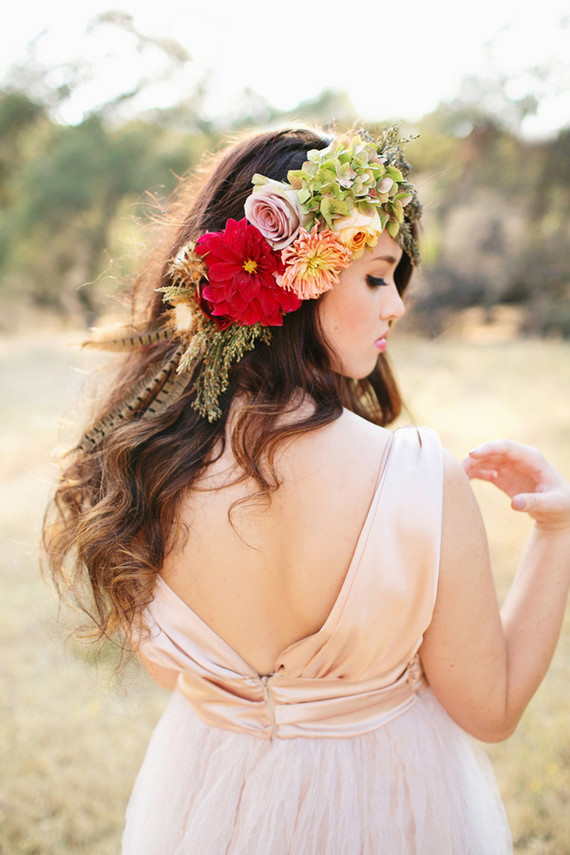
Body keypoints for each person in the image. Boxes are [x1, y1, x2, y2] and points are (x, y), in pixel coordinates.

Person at [43, 126, 570, 854]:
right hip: (389, 811)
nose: (397, 306)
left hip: (208, 808)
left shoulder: (145, 467)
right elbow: (493, 708)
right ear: (298, 277)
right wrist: (557, 532)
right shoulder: (419, 479)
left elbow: (174, 673)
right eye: (376, 275)